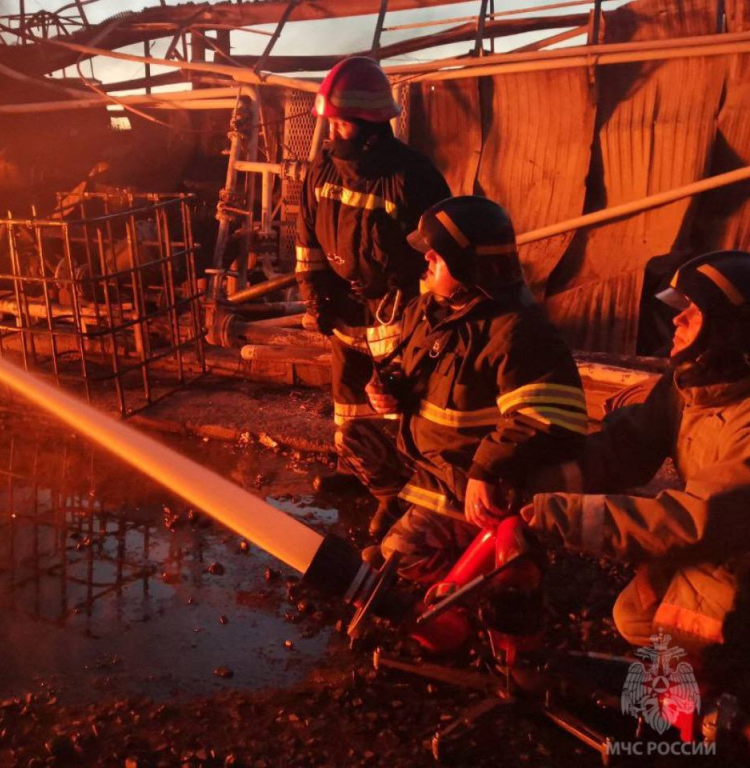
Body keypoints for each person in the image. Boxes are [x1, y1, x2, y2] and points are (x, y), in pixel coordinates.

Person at [340, 196, 588, 583]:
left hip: (465, 478)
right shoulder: (427, 310)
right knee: (353, 436)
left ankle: (475, 580)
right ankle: (402, 507)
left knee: (397, 557)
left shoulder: (517, 333)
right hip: (426, 458)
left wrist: (485, 469)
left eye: (436, 257)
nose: (426, 262)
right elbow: (411, 370)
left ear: (468, 267)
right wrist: (389, 388)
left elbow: (550, 417)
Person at [524, 250, 750, 654]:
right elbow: (626, 448)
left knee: (684, 630)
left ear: (731, 332)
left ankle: (728, 703)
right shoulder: (692, 385)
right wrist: (535, 483)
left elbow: (695, 520)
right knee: (636, 612)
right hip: (724, 547)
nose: (677, 320)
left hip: (736, 557)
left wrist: (563, 517)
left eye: (694, 313)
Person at [295, 56, 450, 495]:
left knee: (396, 401)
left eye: (341, 124)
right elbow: (307, 242)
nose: (331, 133)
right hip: (344, 307)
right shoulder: (321, 172)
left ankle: (405, 486)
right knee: (348, 402)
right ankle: (354, 473)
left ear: (371, 124)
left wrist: (423, 318)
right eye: (330, 123)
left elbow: (437, 260)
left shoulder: (413, 178)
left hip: (397, 314)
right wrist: (316, 295)